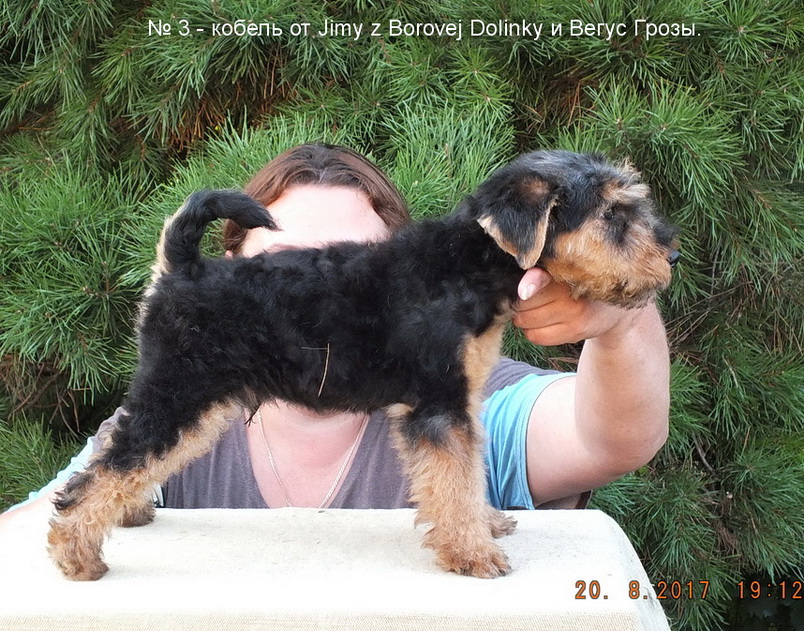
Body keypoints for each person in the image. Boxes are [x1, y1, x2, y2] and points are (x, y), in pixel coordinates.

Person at [0, 143, 670, 523]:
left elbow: (614, 440)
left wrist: (622, 323)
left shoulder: (478, 362)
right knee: (148, 440)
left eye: (350, 262)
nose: (320, 289)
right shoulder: (207, 335)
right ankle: (86, 521)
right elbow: (18, 537)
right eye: (285, 266)